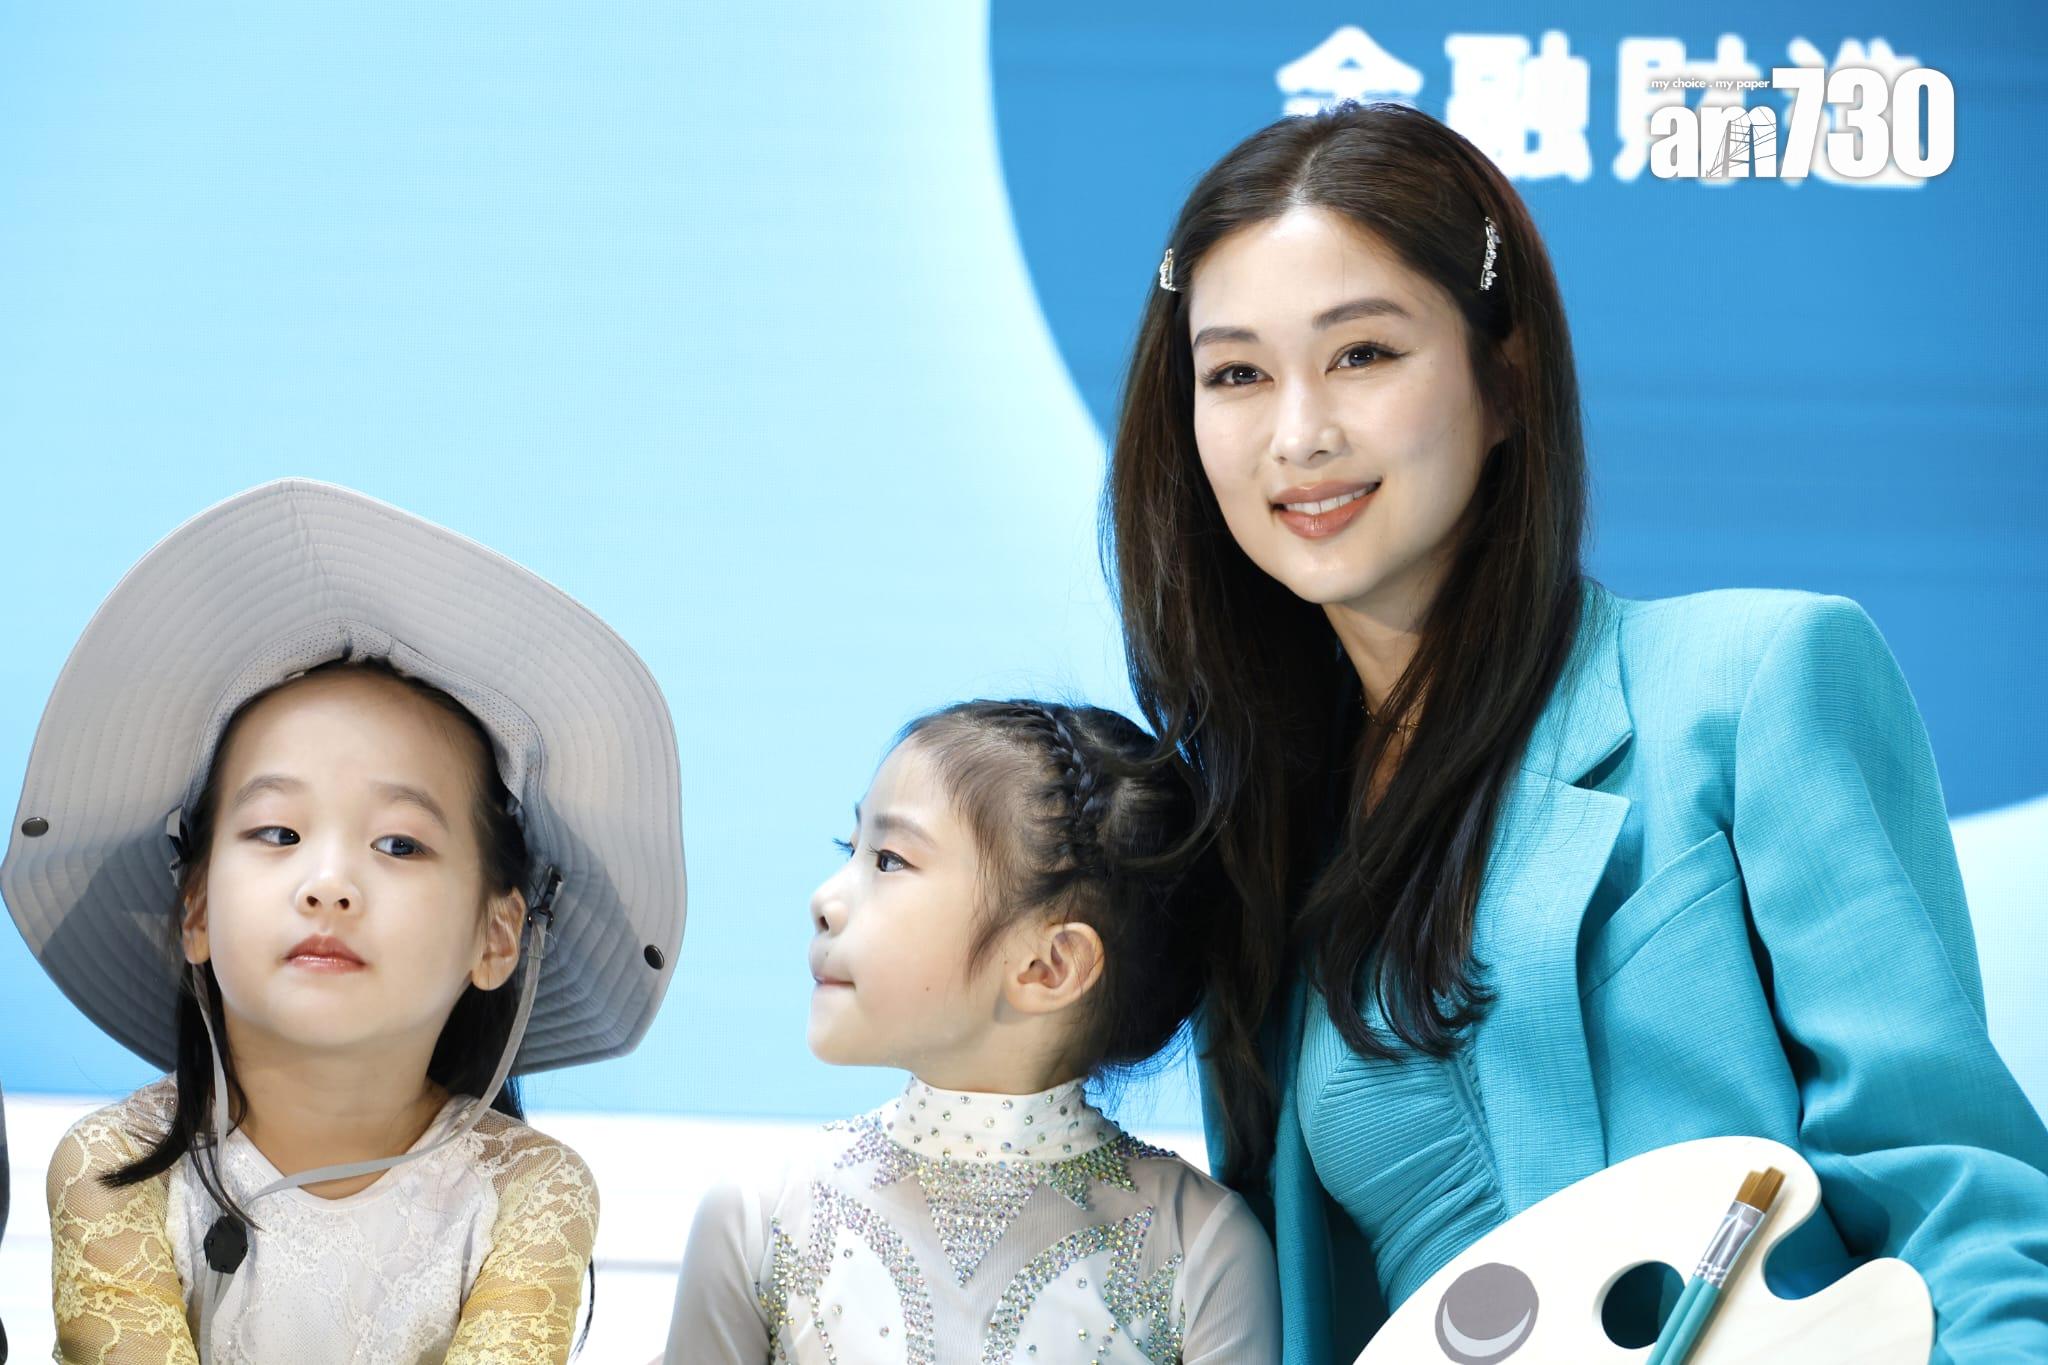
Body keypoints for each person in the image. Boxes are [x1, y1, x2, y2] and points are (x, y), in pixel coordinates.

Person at [1105, 101, 2048, 1362]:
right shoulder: (1262, 854)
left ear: (1504, 379)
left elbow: (1966, 1207)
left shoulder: (1753, 682)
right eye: (1235, 374)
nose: (1297, 434)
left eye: (1362, 353)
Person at [3, 479, 687, 1364]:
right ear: (196, 907)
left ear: (498, 935)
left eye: (399, 843)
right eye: (278, 832)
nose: (329, 885)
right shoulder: (116, 1169)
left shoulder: (528, 1191)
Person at [664, 700, 1280, 1362]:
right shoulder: (757, 1217)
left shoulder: (1203, 1247)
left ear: (1049, 966)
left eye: (888, 860)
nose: (824, 899)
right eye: (851, 848)